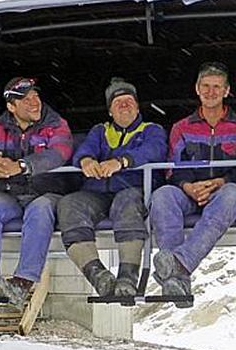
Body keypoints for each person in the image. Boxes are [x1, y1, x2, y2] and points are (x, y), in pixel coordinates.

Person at [0, 77, 74, 308]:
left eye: (36, 97)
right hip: (10, 193)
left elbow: (59, 153)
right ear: (11, 107)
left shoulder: (56, 124)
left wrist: (22, 166)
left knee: (40, 209)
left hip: (46, 191)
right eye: (26, 99)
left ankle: (23, 281)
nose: (35, 103)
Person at [149, 62, 236, 305]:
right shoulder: (181, 127)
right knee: (163, 195)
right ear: (197, 89)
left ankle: (180, 265)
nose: (211, 92)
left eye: (217, 87)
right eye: (206, 86)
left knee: (233, 194)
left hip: (224, 191)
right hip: (189, 192)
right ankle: (178, 282)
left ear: (227, 91)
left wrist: (220, 181)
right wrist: (188, 187)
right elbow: (171, 169)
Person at [57, 78, 167, 298]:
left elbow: (154, 150)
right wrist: (86, 161)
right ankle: (98, 275)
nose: (124, 105)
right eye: (118, 102)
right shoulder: (100, 131)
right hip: (98, 192)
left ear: (137, 107)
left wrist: (122, 161)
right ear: (110, 111)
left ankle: (128, 276)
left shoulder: (151, 129)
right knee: (69, 204)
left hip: (132, 188)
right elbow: (84, 150)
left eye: (129, 101)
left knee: (127, 203)